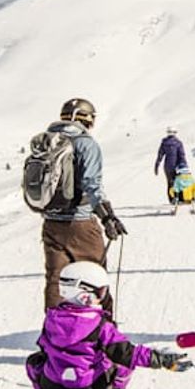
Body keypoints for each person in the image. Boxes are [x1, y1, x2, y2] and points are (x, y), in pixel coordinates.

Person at [28, 261, 189, 389]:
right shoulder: (99, 325)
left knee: (34, 360)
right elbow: (128, 353)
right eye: (101, 292)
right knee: (123, 364)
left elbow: (44, 347)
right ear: (85, 296)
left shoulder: (51, 319)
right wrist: (160, 359)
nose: (102, 297)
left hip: (52, 386)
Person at [40, 98, 127, 311]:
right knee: (94, 276)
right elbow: (92, 184)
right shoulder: (86, 143)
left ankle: (54, 333)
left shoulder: (46, 140)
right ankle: (103, 331)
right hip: (80, 224)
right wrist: (107, 216)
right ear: (87, 119)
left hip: (51, 221)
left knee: (56, 280)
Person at [153, 128, 189, 205]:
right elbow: (182, 156)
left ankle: (172, 199)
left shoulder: (164, 143)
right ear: (175, 133)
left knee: (170, 183)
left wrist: (157, 165)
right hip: (177, 166)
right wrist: (185, 166)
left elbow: (160, 155)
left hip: (167, 167)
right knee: (179, 182)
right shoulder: (178, 143)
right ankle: (181, 199)